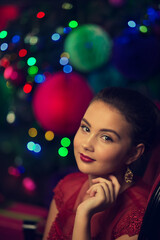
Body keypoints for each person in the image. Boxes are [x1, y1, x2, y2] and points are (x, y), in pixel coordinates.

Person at [43, 87, 160, 240]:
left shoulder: (137, 215)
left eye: (106, 138)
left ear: (133, 153)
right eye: (85, 128)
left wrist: (84, 215)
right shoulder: (67, 187)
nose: (87, 144)